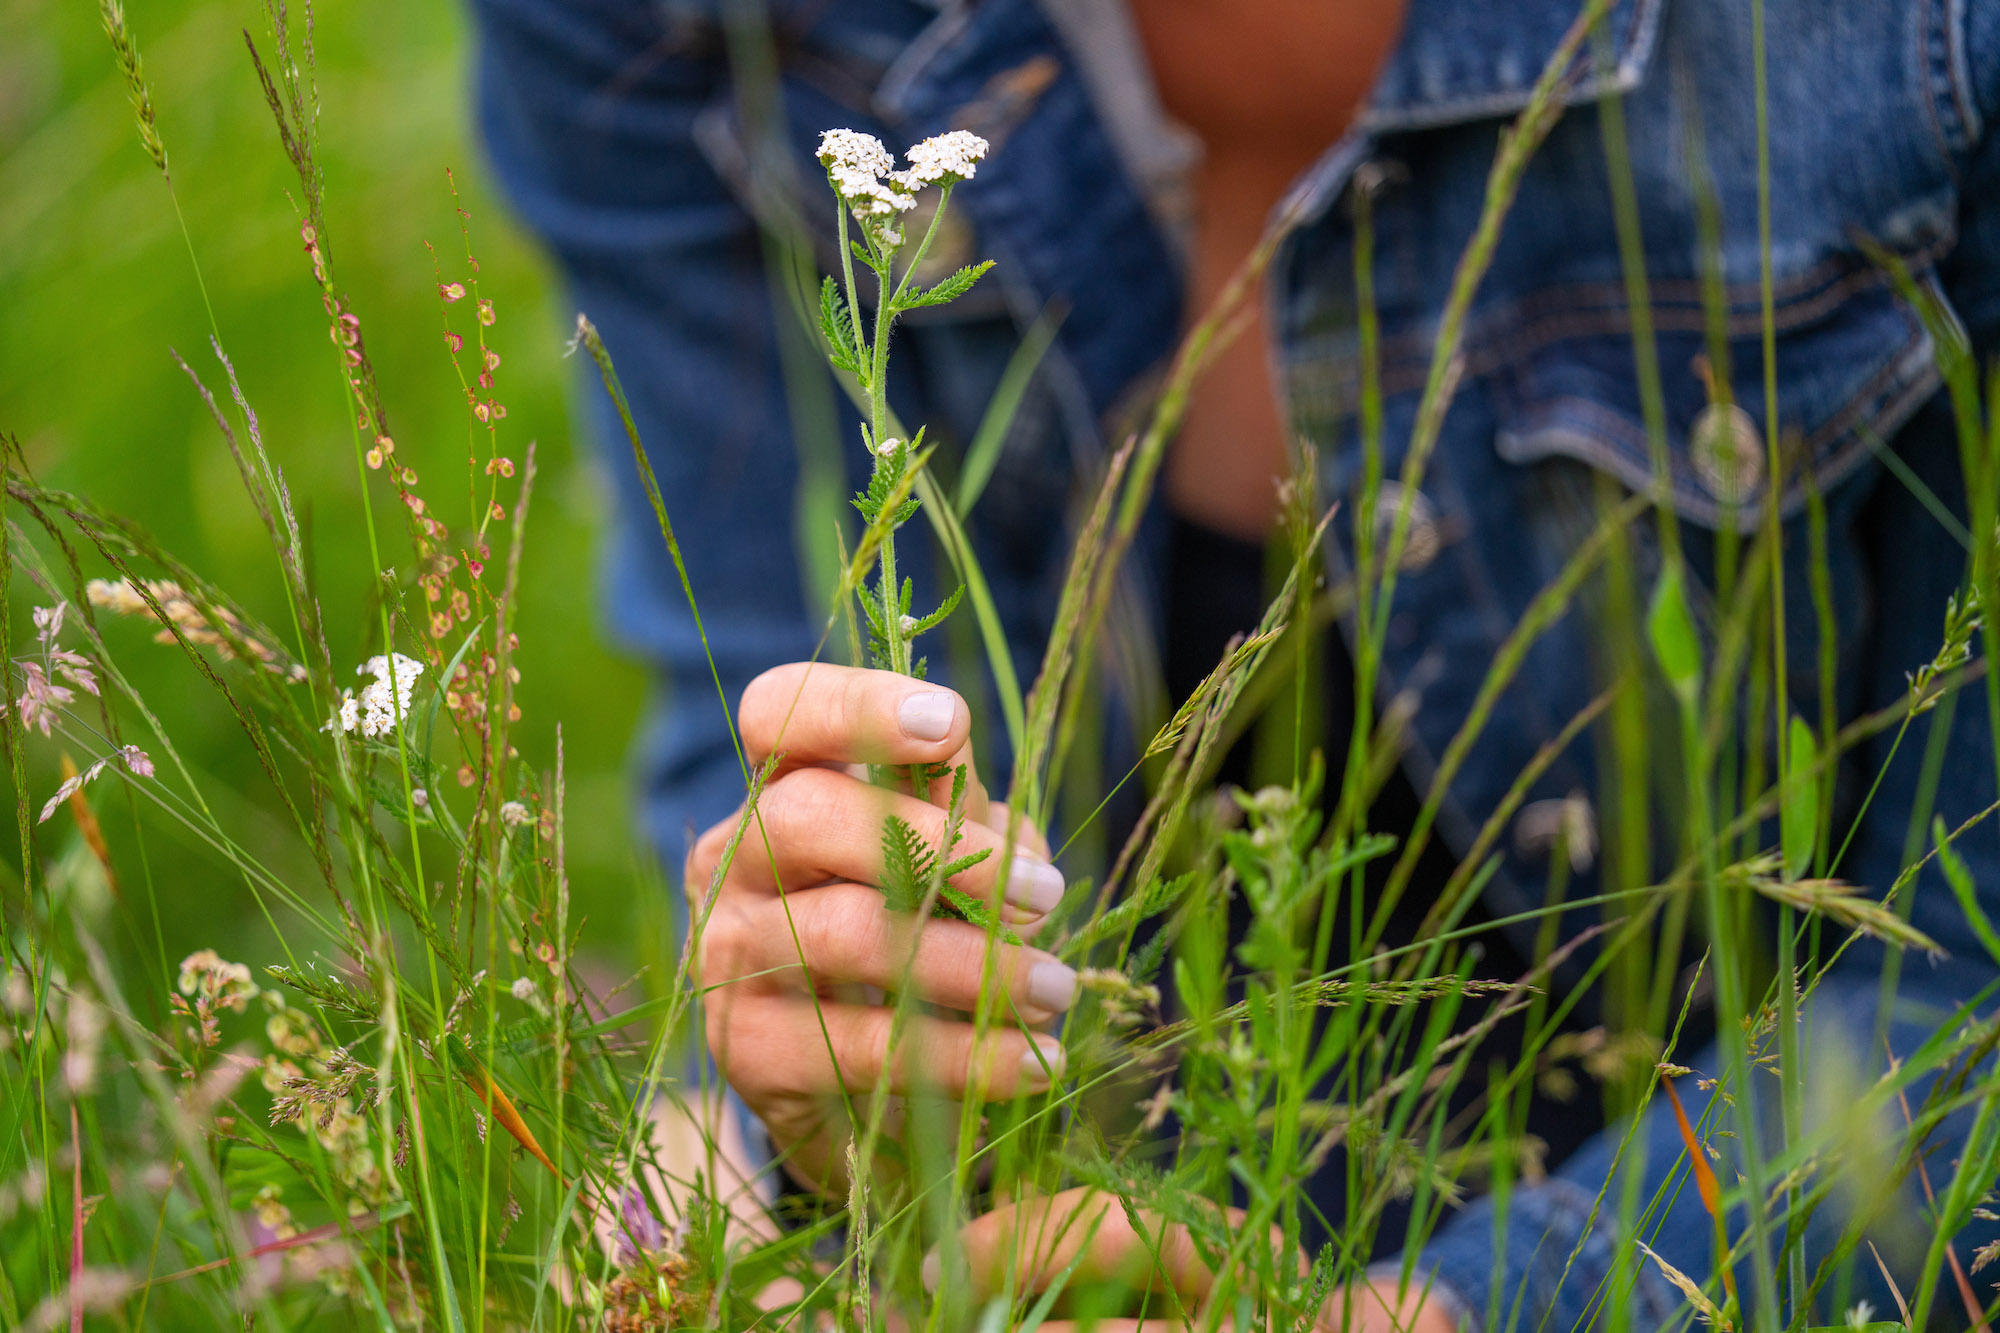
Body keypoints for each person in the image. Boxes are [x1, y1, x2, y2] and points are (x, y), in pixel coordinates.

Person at [472, 0, 2000, 1325]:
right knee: (632, 1221)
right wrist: (833, 1070)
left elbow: (1968, 990)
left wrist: (1436, 1311)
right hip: (1085, 1182)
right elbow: (748, 706)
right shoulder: (674, 27)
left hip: (1740, 1199)